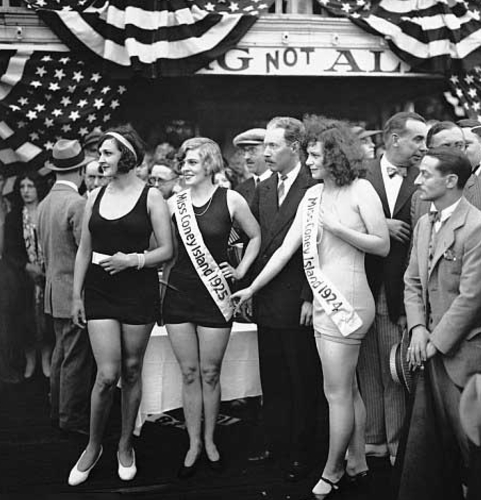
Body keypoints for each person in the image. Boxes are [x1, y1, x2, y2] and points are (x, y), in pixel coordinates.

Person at [232, 116, 390, 497]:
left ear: (335, 156)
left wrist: (338, 229)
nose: (310, 161)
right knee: (348, 389)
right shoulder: (313, 195)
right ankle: (357, 462)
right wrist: (251, 287)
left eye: (316, 155)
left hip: (348, 301)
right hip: (323, 302)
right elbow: (285, 251)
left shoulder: (361, 190)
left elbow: (382, 244)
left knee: (335, 393)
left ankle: (332, 471)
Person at [68, 125, 173, 486]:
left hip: (138, 289)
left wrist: (133, 260)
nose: (100, 160)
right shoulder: (94, 195)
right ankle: (93, 446)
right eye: (100, 154)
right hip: (100, 290)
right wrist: (76, 295)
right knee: (106, 375)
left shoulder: (151, 196)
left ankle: (125, 445)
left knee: (131, 370)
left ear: (126, 157)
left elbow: (167, 249)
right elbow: (84, 249)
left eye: (107, 153)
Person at [162, 137, 260, 478]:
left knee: (210, 372)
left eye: (192, 162)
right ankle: (192, 443)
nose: (184, 168)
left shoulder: (231, 199)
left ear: (209, 164)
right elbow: (163, 249)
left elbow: (255, 236)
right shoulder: (173, 204)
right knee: (189, 373)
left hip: (215, 297)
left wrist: (241, 270)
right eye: (183, 162)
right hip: (178, 295)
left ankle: (210, 439)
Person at [398, 147, 481, 500]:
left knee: (475, 451)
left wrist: (433, 343)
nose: (417, 180)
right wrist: (417, 329)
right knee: (432, 452)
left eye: (426, 174)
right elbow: (412, 282)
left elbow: (472, 298)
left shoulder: (480, 228)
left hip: (463, 357)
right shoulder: (425, 222)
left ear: (451, 181)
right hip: (429, 353)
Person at [238, 116, 321, 482]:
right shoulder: (265, 188)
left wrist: (309, 296)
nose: (266, 152)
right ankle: (275, 442)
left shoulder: (314, 185)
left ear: (295, 148)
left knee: (302, 378)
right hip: (267, 298)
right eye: (265, 146)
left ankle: (303, 450)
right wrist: (248, 286)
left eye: (273, 146)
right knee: (272, 377)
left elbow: (317, 247)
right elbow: (254, 242)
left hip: (298, 299)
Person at [358, 111, 428, 464]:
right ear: (394, 139)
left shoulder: (424, 176)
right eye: (417, 139)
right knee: (366, 368)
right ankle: (373, 440)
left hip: (398, 290)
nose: (423, 147)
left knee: (394, 368)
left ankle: (398, 448)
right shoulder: (360, 173)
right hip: (359, 285)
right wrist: (378, 223)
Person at [37, 139, 94, 436]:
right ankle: (71, 417)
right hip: (75, 292)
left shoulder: (45, 203)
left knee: (62, 353)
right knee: (75, 358)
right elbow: (86, 251)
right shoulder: (77, 203)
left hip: (53, 290)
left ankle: (57, 411)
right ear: (81, 170)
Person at [4, 170, 53, 379]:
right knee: (26, 321)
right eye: (22, 187)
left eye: (30, 186)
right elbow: (9, 251)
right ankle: (30, 361)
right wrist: (26, 266)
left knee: (48, 320)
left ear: (38, 188)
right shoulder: (14, 217)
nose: (26, 191)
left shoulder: (48, 212)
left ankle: (46, 360)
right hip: (24, 279)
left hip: (49, 276)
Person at [412, 121, 481, 222]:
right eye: (446, 146)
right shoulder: (418, 197)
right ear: (430, 151)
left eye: (459, 145)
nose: (454, 151)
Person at [0, 158, 19, 383]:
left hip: (7, 268)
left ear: (5, 181)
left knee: (5, 319)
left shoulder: (10, 205)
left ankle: (4, 369)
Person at [233, 128, 272, 205]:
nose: (246, 157)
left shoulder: (282, 183)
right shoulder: (240, 190)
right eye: (244, 151)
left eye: (252, 150)